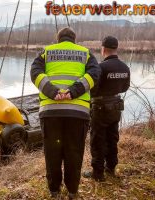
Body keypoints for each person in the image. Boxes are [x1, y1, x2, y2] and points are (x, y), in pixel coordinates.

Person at [30, 27, 101, 199]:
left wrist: (52, 91)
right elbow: (95, 73)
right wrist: (73, 91)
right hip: (77, 113)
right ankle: (72, 192)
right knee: (74, 152)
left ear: (58, 39)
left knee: (52, 152)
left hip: (50, 112)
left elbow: (35, 72)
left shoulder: (46, 52)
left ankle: (54, 191)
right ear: (74, 40)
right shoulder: (85, 53)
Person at [83, 36, 130, 182]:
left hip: (100, 107)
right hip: (116, 108)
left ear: (103, 49)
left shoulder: (100, 67)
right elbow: (125, 87)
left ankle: (98, 173)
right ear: (116, 48)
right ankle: (111, 167)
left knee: (98, 140)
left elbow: (93, 90)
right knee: (112, 138)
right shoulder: (125, 67)